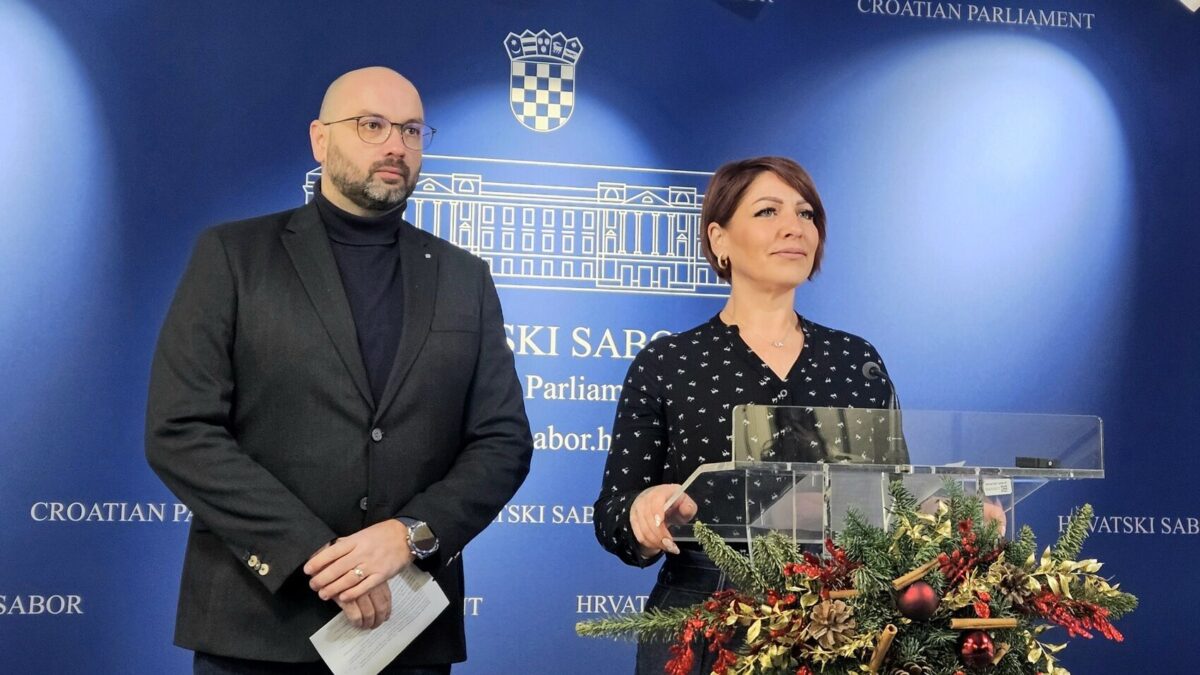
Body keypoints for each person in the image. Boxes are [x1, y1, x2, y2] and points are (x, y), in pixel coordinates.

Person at [145, 67, 532, 674]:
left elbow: (503, 441)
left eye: (411, 130)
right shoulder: (233, 256)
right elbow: (181, 430)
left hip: (406, 632)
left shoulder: (465, 278)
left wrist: (410, 534)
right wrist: (317, 555)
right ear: (320, 139)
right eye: (372, 125)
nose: (396, 145)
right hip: (257, 629)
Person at [593, 156, 902, 674]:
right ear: (719, 239)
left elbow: (897, 497)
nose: (794, 227)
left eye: (806, 214)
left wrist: (956, 516)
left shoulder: (856, 360)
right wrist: (642, 512)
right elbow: (613, 513)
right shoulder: (668, 363)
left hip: (842, 612)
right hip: (704, 613)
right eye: (767, 211)